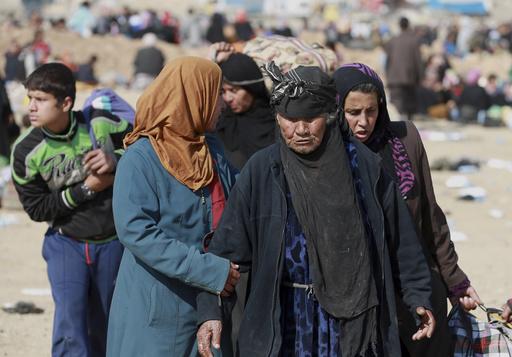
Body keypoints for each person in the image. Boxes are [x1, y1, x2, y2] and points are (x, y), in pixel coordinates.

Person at [196, 63, 435, 357]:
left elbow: (401, 241)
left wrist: (418, 296)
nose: (300, 130)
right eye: (290, 119)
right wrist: (210, 311)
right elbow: (226, 250)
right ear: (278, 118)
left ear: (330, 116)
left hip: (352, 322)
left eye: (311, 119)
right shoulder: (263, 170)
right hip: (283, 319)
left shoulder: (364, 168)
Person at [333, 62, 482, 357]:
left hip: (418, 292)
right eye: (353, 113)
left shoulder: (405, 139)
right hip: (363, 300)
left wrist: (455, 280)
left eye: (371, 111)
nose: (364, 122)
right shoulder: (329, 155)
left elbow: (431, 217)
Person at [106, 56, 240, 357]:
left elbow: (242, 199)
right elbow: (137, 232)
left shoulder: (211, 152)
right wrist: (207, 270)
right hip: (156, 304)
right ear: (195, 96)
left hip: (207, 302)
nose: (223, 103)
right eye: (217, 93)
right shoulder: (140, 159)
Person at [10, 62, 131, 356]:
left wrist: (116, 161)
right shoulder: (26, 151)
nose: (31, 107)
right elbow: (38, 209)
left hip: (111, 243)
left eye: (40, 99)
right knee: (70, 323)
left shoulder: (100, 124)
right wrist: (87, 188)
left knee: (106, 322)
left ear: (65, 103)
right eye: (30, 98)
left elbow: (146, 148)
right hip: (66, 243)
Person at [209, 42, 275, 170]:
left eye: (234, 91)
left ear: (252, 89)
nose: (227, 98)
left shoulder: (276, 123)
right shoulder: (221, 122)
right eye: (223, 91)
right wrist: (212, 60)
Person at [384, 17, 422, 121]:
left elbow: (387, 61)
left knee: (396, 105)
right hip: (409, 78)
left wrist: (387, 75)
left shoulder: (393, 40)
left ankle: (396, 126)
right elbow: (418, 61)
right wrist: (419, 77)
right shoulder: (414, 40)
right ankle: (409, 127)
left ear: (399, 25)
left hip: (394, 77)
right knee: (409, 105)